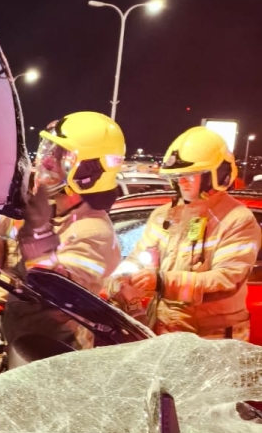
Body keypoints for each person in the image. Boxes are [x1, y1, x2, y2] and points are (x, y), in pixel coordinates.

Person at [108, 126, 261, 339]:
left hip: (211, 340)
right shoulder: (164, 216)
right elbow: (138, 257)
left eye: (190, 175)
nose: (182, 182)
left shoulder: (237, 219)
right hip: (165, 333)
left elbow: (227, 280)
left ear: (215, 175)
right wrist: (124, 278)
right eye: (178, 175)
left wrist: (162, 282)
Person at [3, 111, 125, 349]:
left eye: (61, 156)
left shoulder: (94, 232)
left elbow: (54, 287)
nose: (46, 162)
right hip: (31, 347)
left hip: (59, 355)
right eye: (49, 150)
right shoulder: (58, 217)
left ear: (88, 172)